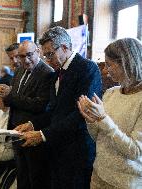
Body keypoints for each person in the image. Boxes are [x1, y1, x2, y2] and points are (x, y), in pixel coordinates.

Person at [16, 26, 102, 189]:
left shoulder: (87, 68)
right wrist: (33, 124)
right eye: (46, 55)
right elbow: (53, 110)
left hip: (76, 149)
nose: (47, 60)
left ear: (64, 47)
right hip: (57, 146)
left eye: (50, 54)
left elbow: (81, 114)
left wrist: (43, 134)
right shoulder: (57, 73)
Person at [77, 38, 142, 189]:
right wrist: (91, 119)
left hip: (126, 182)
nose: (105, 71)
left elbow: (135, 152)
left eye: (109, 65)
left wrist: (103, 119)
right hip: (99, 175)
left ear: (126, 63)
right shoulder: (111, 93)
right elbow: (98, 137)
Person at [0, 40, 54, 189]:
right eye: (22, 56)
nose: (25, 60)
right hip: (16, 130)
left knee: (35, 178)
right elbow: (14, 99)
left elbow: (40, 106)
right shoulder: (20, 70)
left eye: (29, 55)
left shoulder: (47, 73)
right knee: (21, 175)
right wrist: (4, 94)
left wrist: (11, 95)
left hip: (33, 131)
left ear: (38, 52)